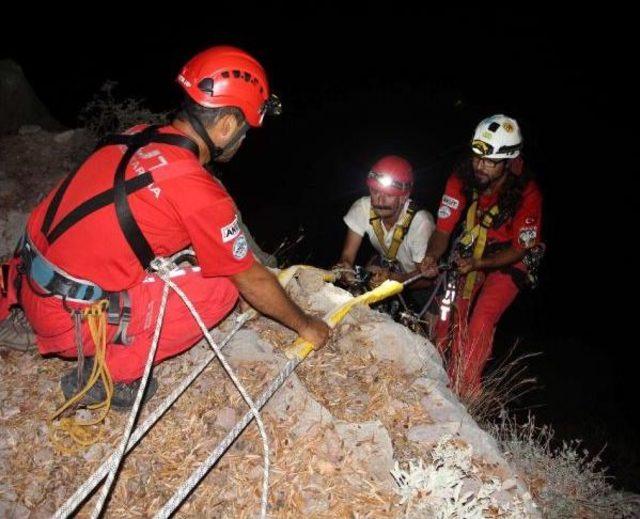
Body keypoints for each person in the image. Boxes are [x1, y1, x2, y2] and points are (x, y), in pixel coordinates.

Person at [6, 45, 330, 408]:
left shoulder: (138, 134)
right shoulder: (197, 190)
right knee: (222, 288)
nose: (242, 140)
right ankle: (112, 376)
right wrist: (305, 325)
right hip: (64, 316)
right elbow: (250, 279)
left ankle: (29, 315)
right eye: (244, 130)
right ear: (226, 125)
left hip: (23, 279)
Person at [420, 114, 543, 397]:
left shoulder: (528, 193)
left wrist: (480, 263)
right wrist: (432, 257)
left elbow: (521, 247)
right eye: (477, 158)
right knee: (448, 316)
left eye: (490, 162)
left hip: (509, 260)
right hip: (470, 254)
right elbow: (443, 228)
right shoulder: (462, 177)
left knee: (482, 319)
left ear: (509, 161)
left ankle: (465, 392)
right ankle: (436, 380)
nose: (480, 166)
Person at [335, 155, 435, 294]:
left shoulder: (420, 223)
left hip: (417, 283)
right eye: (375, 191)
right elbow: (347, 256)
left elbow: (426, 279)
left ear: (403, 197)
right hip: (389, 268)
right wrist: (345, 269)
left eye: (388, 195)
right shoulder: (362, 208)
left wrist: (391, 281)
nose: (379, 201)